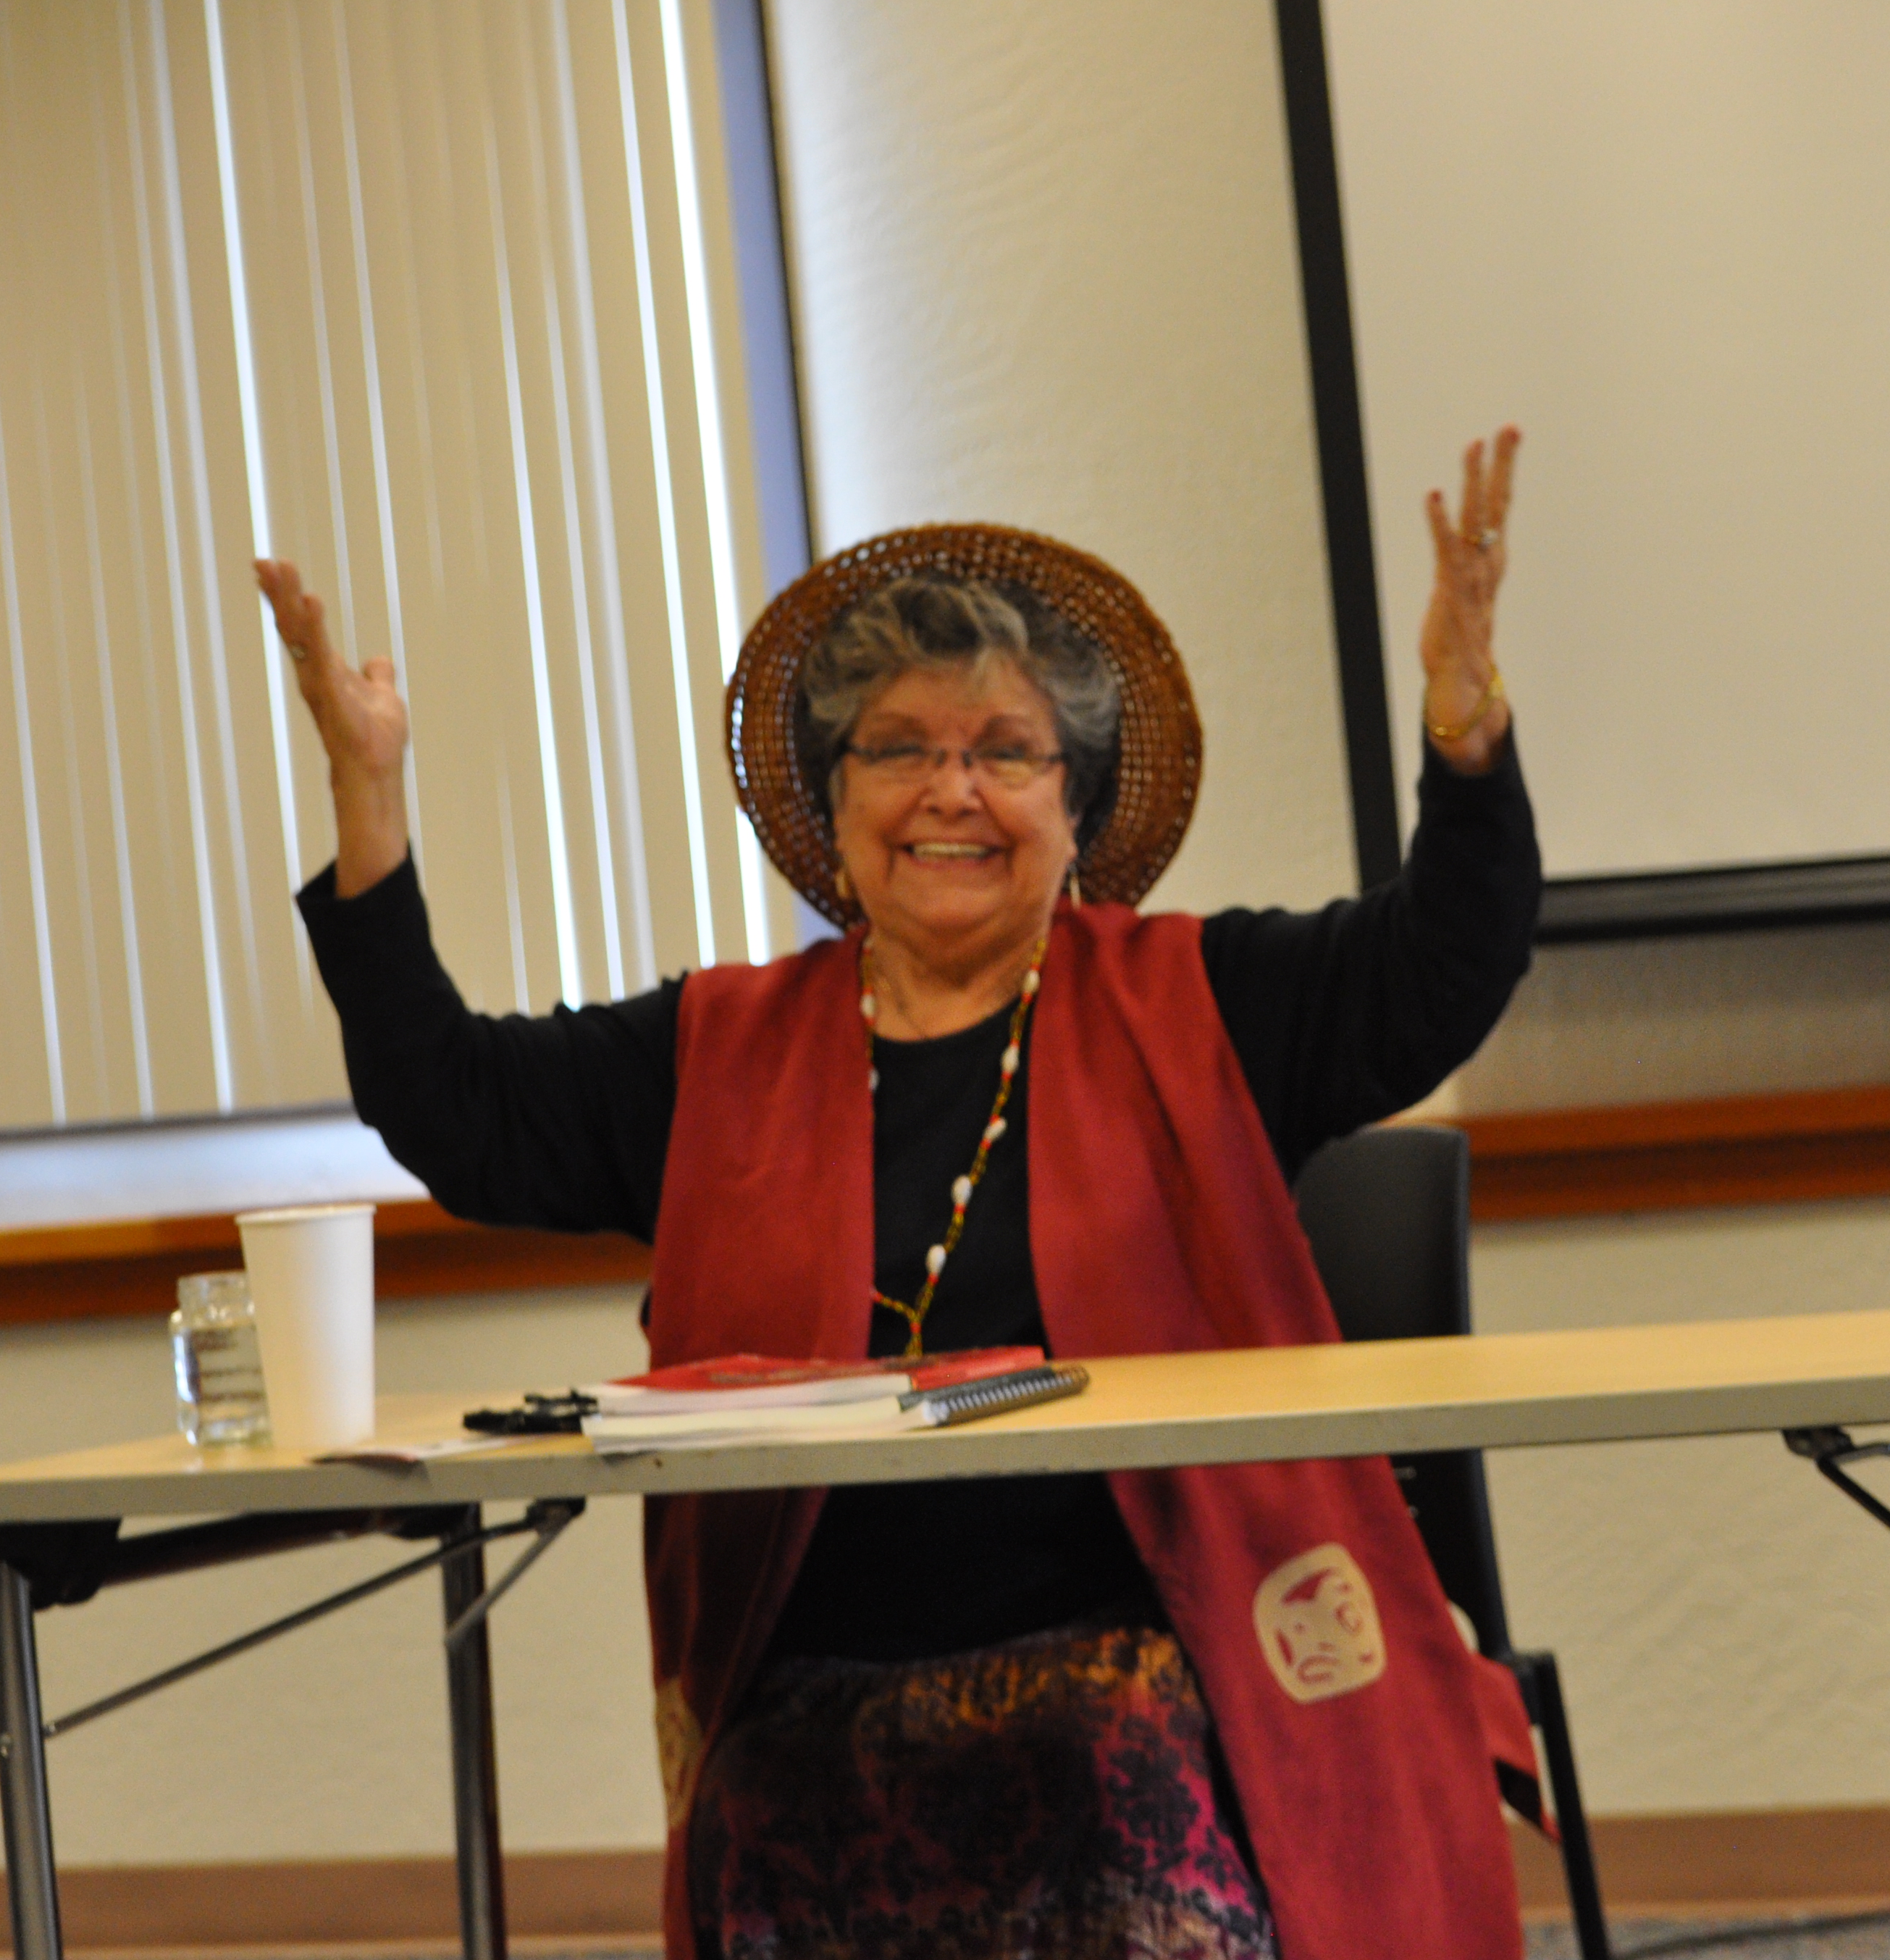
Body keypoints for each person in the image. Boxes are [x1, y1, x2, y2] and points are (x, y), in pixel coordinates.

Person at [259, 430, 1541, 1960]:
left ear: (1074, 806)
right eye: (897, 748)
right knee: (768, 1798)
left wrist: (1464, 731)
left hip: (1161, 1662)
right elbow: (456, 1111)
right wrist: (371, 806)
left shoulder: (1201, 1000)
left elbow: (1437, 967)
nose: (952, 790)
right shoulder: (716, 1050)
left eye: (1006, 750)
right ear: (837, 799)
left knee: (1111, 1756)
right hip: (811, 1691)